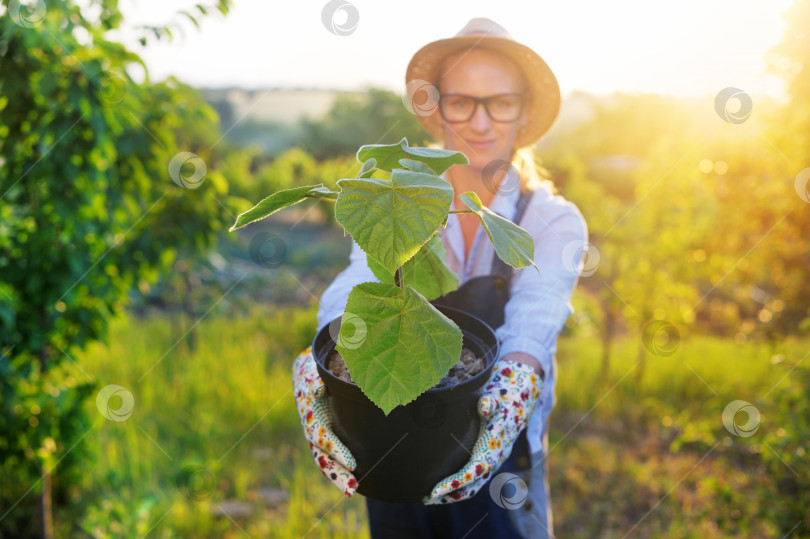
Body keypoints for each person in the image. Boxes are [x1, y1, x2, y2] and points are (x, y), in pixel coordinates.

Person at [292, 17, 588, 539]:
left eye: (500, 102)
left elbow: (533, 325)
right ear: (439, 110)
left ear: (522, 113)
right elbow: (360, 280)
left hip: (503, 466)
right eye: (461, 101)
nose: (480, 121)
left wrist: (510, 394)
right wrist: (321, 359)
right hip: (391, 448)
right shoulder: (400, 204)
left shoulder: (550, 220)